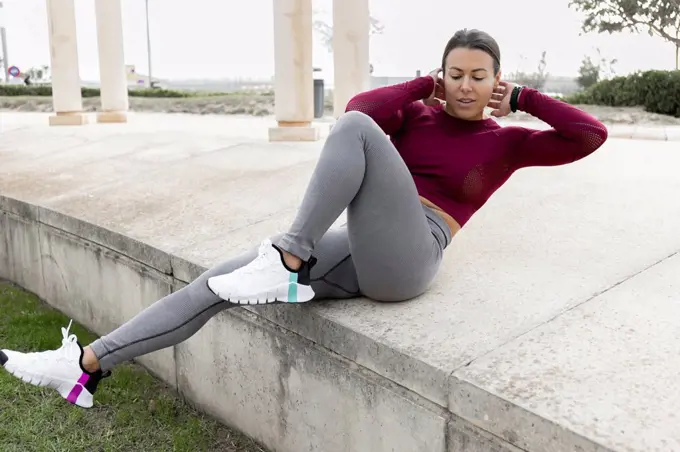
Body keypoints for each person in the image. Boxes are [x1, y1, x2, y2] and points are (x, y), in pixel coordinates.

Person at [0, 29, 608, 408]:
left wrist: (526, 100)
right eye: (455, 75)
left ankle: (287, 255)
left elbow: (590, 135)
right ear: (441, 77)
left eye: (480, 77)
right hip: (358, 246)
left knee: (357, 133)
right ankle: (83, 366)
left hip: (412, 255)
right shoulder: (419, 115)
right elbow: (359, 107)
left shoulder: (507, 142)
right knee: (215, 283)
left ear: (497, 81)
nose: (466, 87)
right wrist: (422, 86)